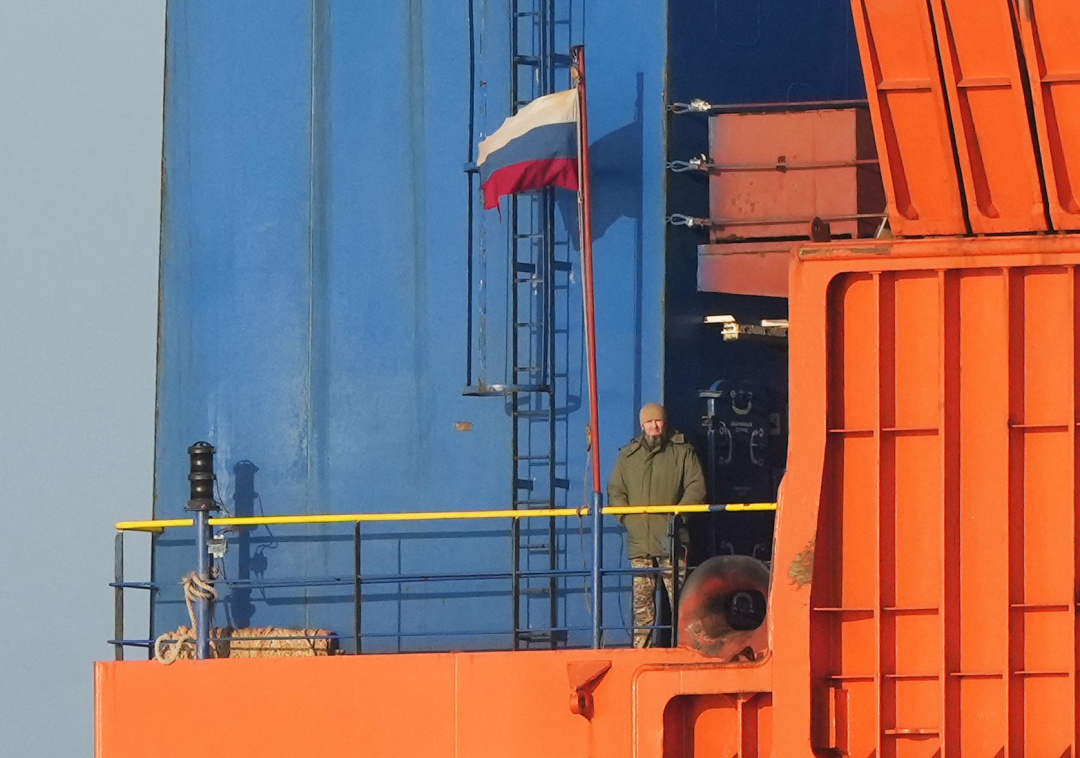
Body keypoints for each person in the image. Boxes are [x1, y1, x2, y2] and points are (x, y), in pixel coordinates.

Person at [608, 402, 706, 647]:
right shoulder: (628, 457)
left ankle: (690, 647)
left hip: (672, 540)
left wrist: (678, 516)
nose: (654, 426)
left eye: (658, 421)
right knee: (642, 604)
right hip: (640, 542)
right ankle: (642, 650)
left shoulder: (682, 452)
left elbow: (696, 488)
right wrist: (628, 519)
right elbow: (616, 491)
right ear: (642, 425)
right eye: (649, 422)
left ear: (665, 422)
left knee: (683, 600)